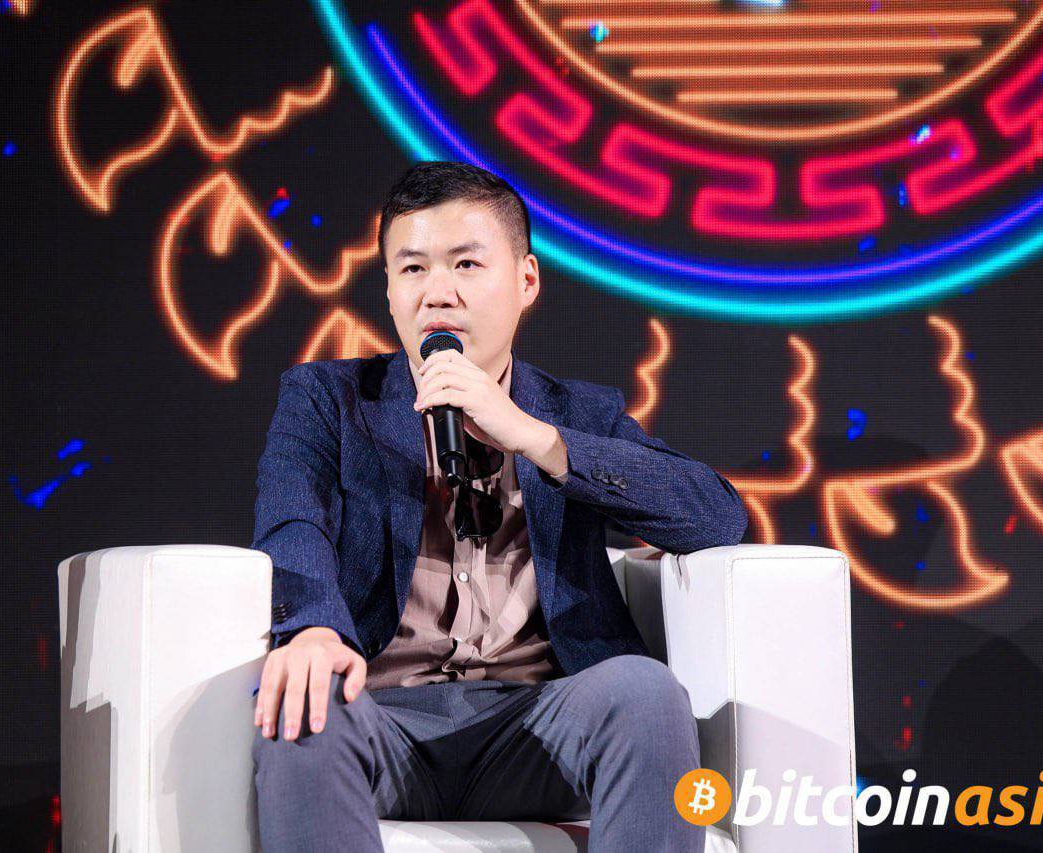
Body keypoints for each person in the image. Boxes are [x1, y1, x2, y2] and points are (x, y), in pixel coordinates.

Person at [250, 161, 747, 851]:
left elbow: (717, 515)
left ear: (526, 280)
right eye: (413, 269)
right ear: (389, 289)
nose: (438, 293)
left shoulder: (578, 414)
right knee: (306, 702)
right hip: (384, 717)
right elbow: (291, 521)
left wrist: (534, 438)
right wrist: (312, 631)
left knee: (646, 692)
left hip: (537, 726)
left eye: (466, 264)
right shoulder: (329, 400)